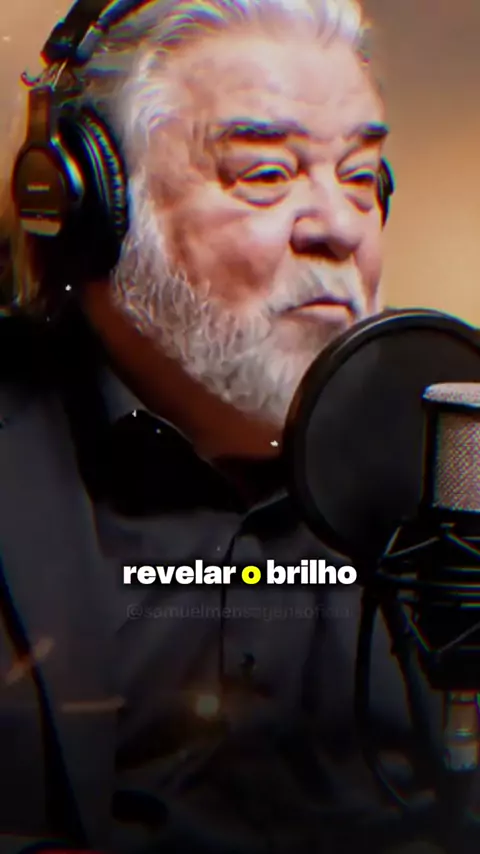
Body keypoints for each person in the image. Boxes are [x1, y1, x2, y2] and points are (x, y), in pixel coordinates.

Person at [0, 0, 445, 852]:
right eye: (266, 174)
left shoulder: (448, 463)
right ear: (93, 207)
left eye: (360, 177)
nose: (341, 226)